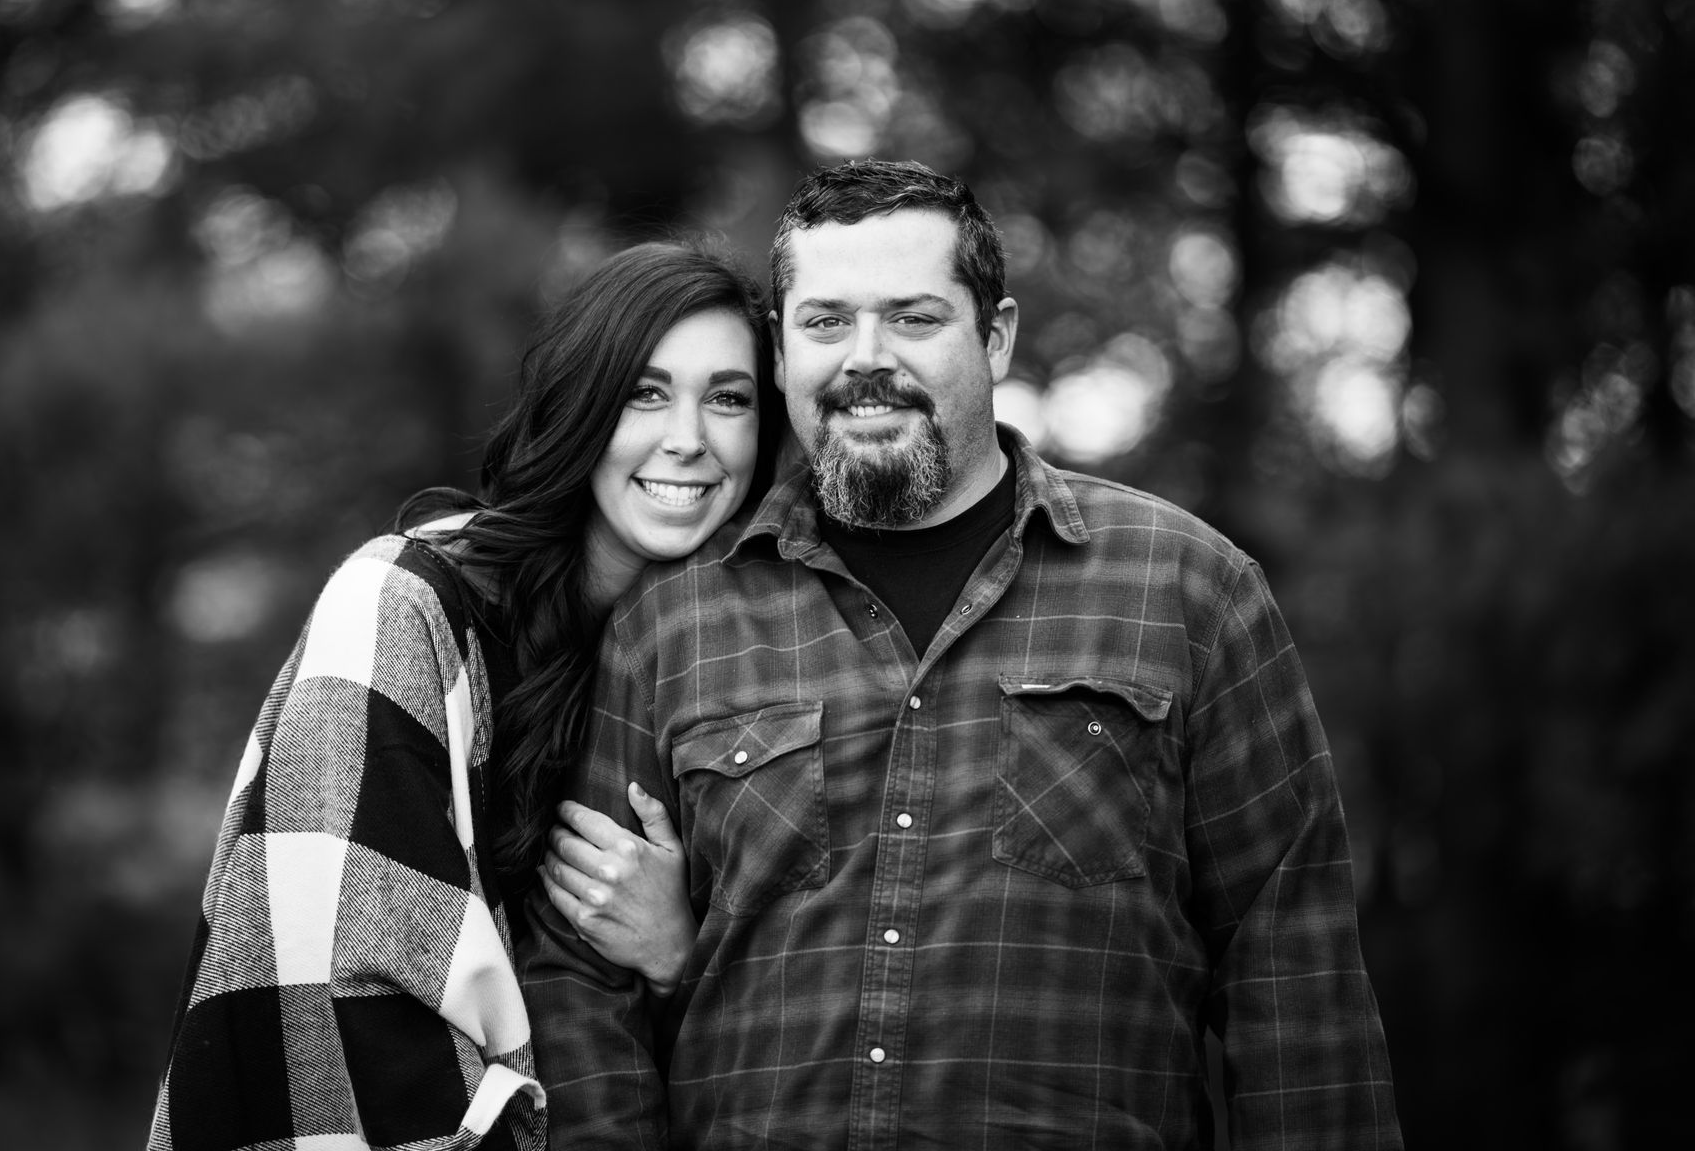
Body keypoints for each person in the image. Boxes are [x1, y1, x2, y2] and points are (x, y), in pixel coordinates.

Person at [522, 160, 1403, 1148]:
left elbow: (1296, 983)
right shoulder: (669, 624)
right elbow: (581, 988)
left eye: (913, 318)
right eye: (825, 322)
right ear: (777, 351)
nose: (865, 357)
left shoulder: (1189, 589)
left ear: (996, 336)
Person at [147, 241, 783, 1151]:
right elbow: (347, 974)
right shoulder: (402, 605)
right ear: (581, 407)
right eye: (646, 393)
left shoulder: (717, 659)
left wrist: (680, 953)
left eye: (728, 398)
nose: (689, 437)